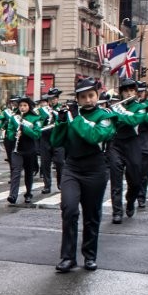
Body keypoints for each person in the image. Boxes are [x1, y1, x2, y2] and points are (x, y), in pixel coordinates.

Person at [51, 78, 116, 273]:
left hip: (95, 168)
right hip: (72, 167)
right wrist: (61, 121)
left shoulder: (106, 115)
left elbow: (94, 136)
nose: (88, 100)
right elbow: (56, 141)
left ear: (97, 95)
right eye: (83, 97)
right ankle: (68, 257)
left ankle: (89, 255)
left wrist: (74, 118)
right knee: (69, 209)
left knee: (91, 214)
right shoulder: (72, 115)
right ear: (77, 99)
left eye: (91, 96)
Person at [108, 80, 148, 220]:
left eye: (132, 90)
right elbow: (110, 123)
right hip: (116, 143)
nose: (129, 93)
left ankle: (130, 201)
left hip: (133, 143)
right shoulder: (115, 106)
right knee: (115, 178)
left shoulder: (140, 107)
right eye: (126, 91)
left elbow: (133, 121)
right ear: (121, 92)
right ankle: (117, 212)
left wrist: (118, 114)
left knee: (135, 180)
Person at [6, 96, 41, 204]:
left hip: (29, 149)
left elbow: (37, 134)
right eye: (20, 105)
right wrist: (14, 134)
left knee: (28, 173)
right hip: (17, 150)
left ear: (29, 106)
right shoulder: (14, 117)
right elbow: (9, 132)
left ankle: (28, 193)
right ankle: (13, 195)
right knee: (15, 172)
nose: (22, 108)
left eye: (25, 105)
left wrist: (25, 129)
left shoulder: (35, 118)